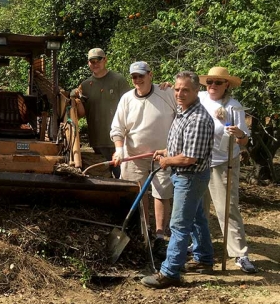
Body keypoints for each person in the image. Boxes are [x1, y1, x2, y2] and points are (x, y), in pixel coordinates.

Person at [142, 71, 215, 289]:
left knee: (179, 225)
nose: (180, 93)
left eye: (185, 90)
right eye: (177, 89)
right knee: (196, 218)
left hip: (190, 176)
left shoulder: (198, 119)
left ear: (196, 91)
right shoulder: (183, 112)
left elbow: (189, 158)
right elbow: (183, 147)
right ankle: (203, 258)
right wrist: (166, 151)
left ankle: (170, 271)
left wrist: (167, 161)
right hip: (184, 175)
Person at [110, 61, 176, 259]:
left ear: (150, 75)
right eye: (134, 77)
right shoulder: (127, 99)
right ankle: (142, 232)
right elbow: (117, 128)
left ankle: (159, 236)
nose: (138, 80)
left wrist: (173, 150)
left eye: (141, 76)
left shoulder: (167, 94)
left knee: (161, 193)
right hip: (134, 156)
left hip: (162, 155)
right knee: (137, 192)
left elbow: (184, 113)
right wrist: (119, 149)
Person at [199, 67, 256, 273]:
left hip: (223, 162)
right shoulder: (199, 98)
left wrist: (239, 133)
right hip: (197, 160)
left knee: (227, 208)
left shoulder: (234, 107)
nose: (212, 86)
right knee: (198, 207)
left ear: (227, 85)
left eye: (218, 82)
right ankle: (199, 247)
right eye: (210, 82)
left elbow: (244, 141)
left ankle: (239, 253)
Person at [72, 48, 131, 178]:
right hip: (97, 141)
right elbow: (81, 113)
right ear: (88, 63)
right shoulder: (85, 85)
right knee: (103, 181)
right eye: (91, 61)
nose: (95, 64)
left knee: (123, 178)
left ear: (105, 60)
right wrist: (74, 98)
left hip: (119, 140)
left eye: (98, 60)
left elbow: (131, 106)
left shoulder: (118, 80)